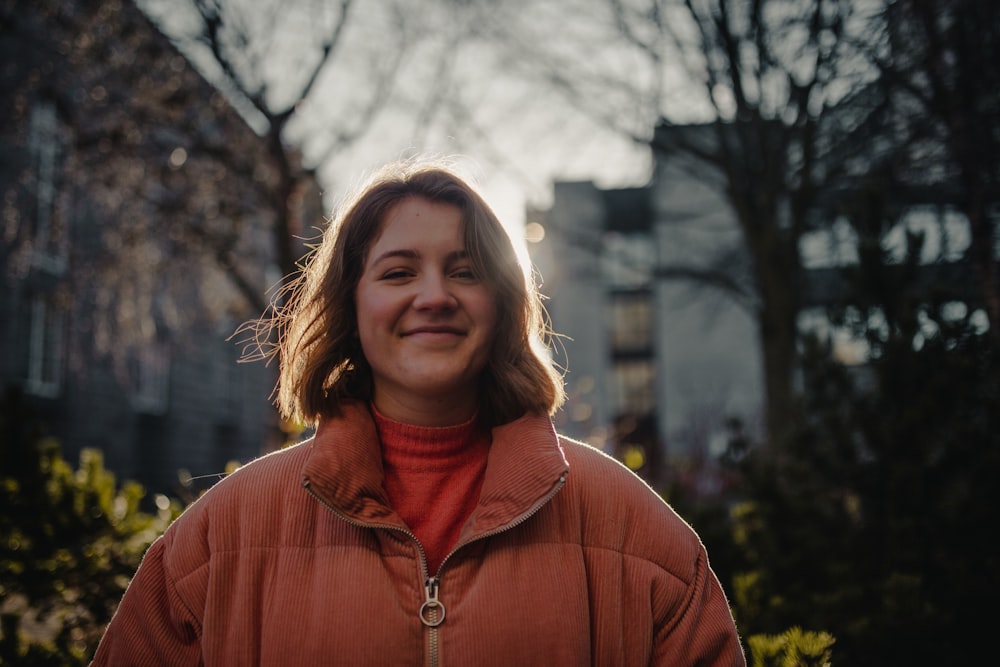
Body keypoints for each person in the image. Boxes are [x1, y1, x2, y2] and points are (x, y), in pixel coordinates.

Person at [91, 158, 746, 666]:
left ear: (503, 305)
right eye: (399, 272)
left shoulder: (639, 538)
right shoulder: (220, 540)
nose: (434, 296)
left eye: (464, 271)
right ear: (350, 306)